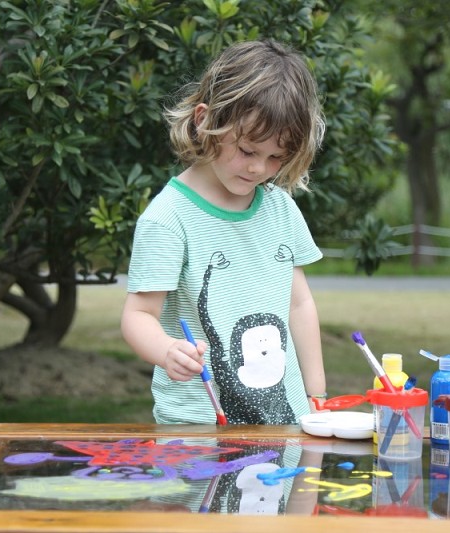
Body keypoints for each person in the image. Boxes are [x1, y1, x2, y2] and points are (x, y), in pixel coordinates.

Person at [120, 39, 327, 425]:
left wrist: (316, 393)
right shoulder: (167, 218)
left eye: (275, 157)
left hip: (285, 422)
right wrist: (166, 350)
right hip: (198, 432)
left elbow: (299, 304)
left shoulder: (281, 209)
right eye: (248, 151)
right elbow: (137, 315)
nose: (258, 169)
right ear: (205, 121)